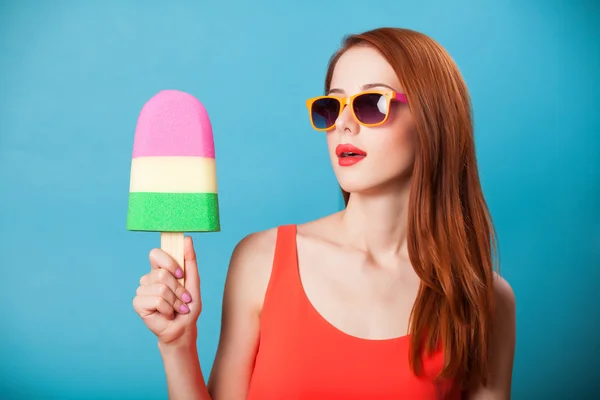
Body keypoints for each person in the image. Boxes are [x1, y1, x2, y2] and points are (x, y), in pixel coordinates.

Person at [132, 27, 517, 399]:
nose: (343, 124)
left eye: (370, 105)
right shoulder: (260, 261)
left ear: (434, 120)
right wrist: (178, 346)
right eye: (331, 107)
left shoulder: (484, 298)